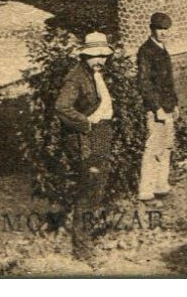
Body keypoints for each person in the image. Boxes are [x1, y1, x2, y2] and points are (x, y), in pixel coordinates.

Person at [55, 30, 117, 253]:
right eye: (95, 55)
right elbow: (62, 107)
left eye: (103, 55)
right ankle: (82, 247)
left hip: (100, 134)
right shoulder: (76, 77)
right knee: (89, 188)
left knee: (98, 186)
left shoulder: (95, 74)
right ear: (84, 56)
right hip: (85, 139)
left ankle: (88, 237)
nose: (100, 60)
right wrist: (86, 123)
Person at [137, 12, 179, 201]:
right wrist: (156, 108)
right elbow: (144, 84)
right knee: (153, 148)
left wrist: (175, 104)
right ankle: (146, 190)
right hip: (157, 109)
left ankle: (161, 185)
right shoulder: (146, 51)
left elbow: (168, 82)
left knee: (166, 146)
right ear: (152, 29)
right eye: (159, 29)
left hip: (168, 106)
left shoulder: (162, 48)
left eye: (165, 30)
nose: (163, 33)